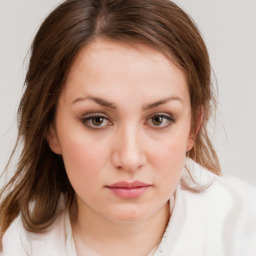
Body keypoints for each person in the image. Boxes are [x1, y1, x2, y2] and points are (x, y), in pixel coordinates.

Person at [0, 0, 255, 255]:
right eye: (97, 120)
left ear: (194, 126)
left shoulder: (245, 231)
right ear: (50, 128)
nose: (129, 159)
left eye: (159, 119)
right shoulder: (16, 245)